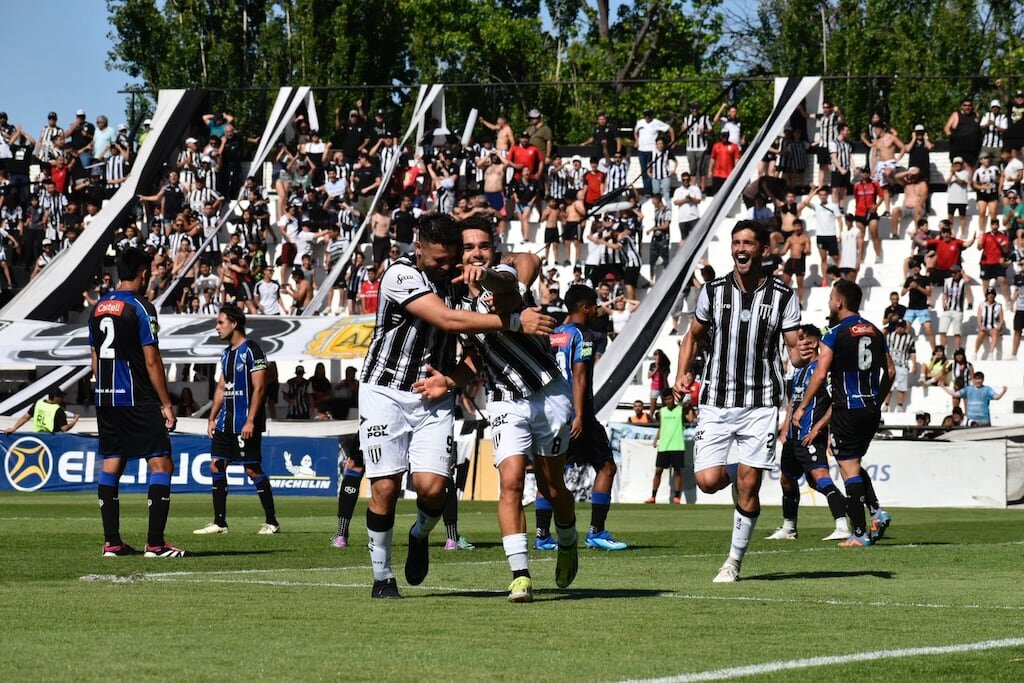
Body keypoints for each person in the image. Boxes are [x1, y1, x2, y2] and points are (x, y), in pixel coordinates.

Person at [359, 213, 555, 599]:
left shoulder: (464, 277)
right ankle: (382, 578)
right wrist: (515, 320)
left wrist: (500, 278)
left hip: (433, 395)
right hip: (384, 391)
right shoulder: (400, 275)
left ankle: (419, 533)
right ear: (418, 249)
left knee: (433, 490)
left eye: (452, 258)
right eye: (438, 260)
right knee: (385, 486)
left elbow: (525, 262)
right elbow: (448, 320)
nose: (446, 267)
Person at [673, 220, 815, 582]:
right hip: (716, 401)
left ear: (763, 250)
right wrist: (681, 374)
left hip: (761, 402)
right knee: (706, 481)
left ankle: (732, 563)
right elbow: (693, 337)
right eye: (736, 242)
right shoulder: (713, 291)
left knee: (749, 487)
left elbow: (794, 356)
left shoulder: (783, 296)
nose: (741, 248)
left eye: (748, 243)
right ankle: (743, 469)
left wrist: (807, 352)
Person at [88, 247, 187, 557]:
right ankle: (156, 544)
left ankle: (112, 542)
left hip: (105, 396)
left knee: (112, 462)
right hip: (136, 396)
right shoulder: (141, 307)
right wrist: (166, 403)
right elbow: (152, 360)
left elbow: (93, 359)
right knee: (161, 463)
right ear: (143, 273)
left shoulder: (99, 306)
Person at [793, 280, 894, 548]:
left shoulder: (836, 333)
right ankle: (876, 513)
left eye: (830, 298)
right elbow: (891, 372)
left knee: (848, 470)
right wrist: (877, 400)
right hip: (870, 409)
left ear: (839, 302)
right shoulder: (875, 331)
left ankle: (859, 532)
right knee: (855, 465)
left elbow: (820, 373)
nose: (829, 302)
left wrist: (803, 406)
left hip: (847, 409)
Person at [543, 284, 627, 552]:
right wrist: (580, 415)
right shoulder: (584, 336)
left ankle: (543, 535)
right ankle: (596, 532)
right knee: (606, 467)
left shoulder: (554, 334)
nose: (595, 312)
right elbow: (579, 376)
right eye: (593, 307)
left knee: (551, 473)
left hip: (553, 408)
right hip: (579, 411)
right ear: (585, 307)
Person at [194, 305, 280, 535]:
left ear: (234, 323)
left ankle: (272, 521)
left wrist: (251, 421)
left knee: (252, 469)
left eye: (220, 322)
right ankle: (220, 523)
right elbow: (222, 387)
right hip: (225, 422)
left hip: (244, 422)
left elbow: (260, 387)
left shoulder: (252, 350)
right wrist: (211, 417)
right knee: (216, 464)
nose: (217, 327)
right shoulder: (226, 353)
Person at [768, 324, 849, 542]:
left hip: (810, 436)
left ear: (813, 343)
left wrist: (818, 428)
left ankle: (843, 524)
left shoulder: (824, 370)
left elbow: (837, 402)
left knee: (821, 479)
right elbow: (794, 400)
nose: (797, 343)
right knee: (786, 479)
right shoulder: (800, 369)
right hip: (793, 438)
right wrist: (785, 428)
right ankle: (789, 527)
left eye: (802, 339)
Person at [649, 389, 685, 504]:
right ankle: (653, 496)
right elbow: (661, 426)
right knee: (658, 470)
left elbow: (690, 417)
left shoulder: (681, 410)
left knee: (677, 471)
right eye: (665, 399)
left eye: (669, 398)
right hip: (664, 446)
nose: (668, 401)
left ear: (673, 398)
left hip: (677, 445)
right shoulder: (661, 411)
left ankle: (677, 497)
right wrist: (656, 439)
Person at [943, 372, 1007, 427]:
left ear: (983, 380)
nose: (978, 381)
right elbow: (955, 394)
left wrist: (1003, 391)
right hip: (971, 421)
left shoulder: (987, 389)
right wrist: (943, 387)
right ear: (973, 380)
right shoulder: (968, 389)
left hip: (984, 421)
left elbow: (996, 397)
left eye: (980, 379)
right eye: (976, 379)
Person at [4, 388, 79, 434]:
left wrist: (14, 428)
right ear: (56, 397)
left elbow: (25, 417)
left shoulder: (38, 403)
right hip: (52, 439)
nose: (62, 399)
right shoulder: (58, 410)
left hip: (38, 436)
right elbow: (64, 428)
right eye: (61, 397)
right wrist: (74, 421)